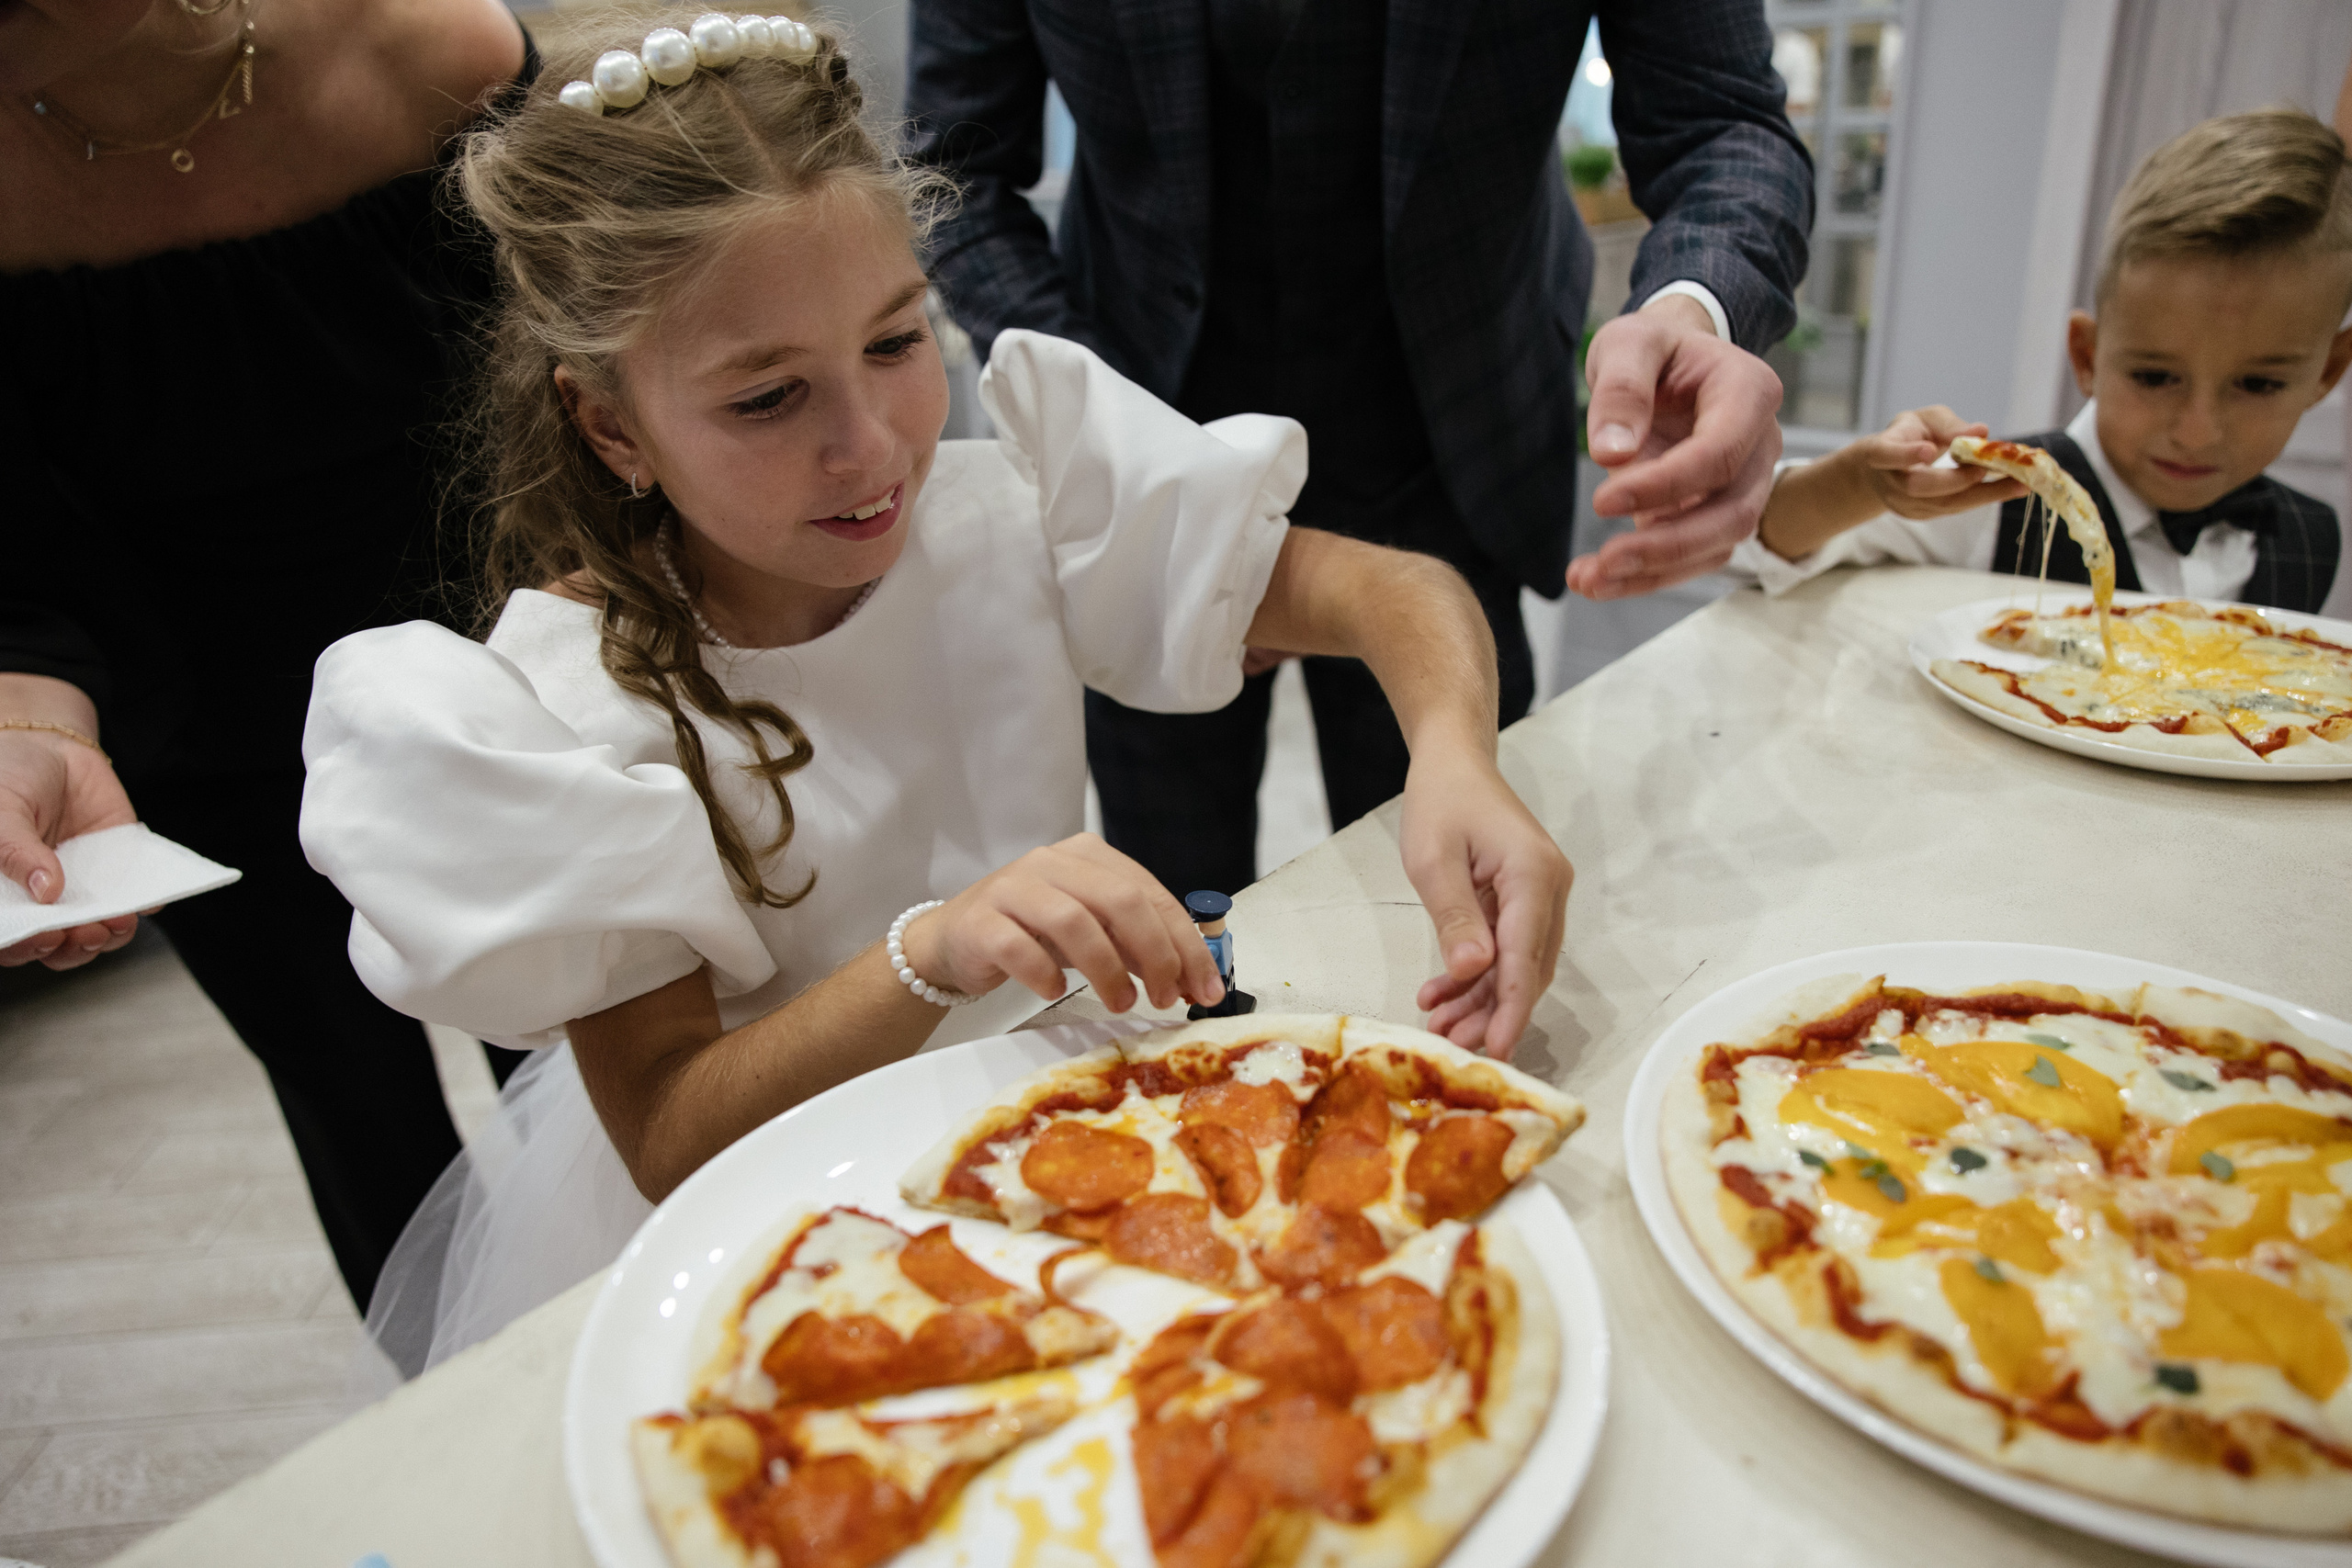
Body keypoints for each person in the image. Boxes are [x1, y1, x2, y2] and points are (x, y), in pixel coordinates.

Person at [295, 11, 1572, 1371]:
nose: (870, 448)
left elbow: (1393, 589)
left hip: (1037, 1134)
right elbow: (674, 1130)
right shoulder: (572, 703)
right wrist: (936, 946)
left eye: (898, 344)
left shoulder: (1001, 508)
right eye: (769, 398)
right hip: (785, 1215)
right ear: (613, 425)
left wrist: (1454, 753)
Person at [906, 0, 1812, 897]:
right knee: (1170, 916)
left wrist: (1695, 307)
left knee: (1452, 892)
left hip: (1453, 435)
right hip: (1146, 453)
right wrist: (1114, 434)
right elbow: (954, 175)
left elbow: (1723, 125)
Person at [0, 0, 530, 1311]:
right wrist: (38, 723)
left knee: (589, 1048)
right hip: (205, 755)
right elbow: (16, 558)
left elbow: (589, 402)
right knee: (361, 1116)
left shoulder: (433, 52)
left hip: (512, 688)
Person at [1738, 109, 2351, 614]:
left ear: (2327, 372)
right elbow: (1760, 535)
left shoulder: (2314, 538)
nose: (2196, 430)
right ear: (2086, 354)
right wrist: (1862, 483)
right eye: (2156, 376)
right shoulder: (1994, 498)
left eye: (2259, 384)